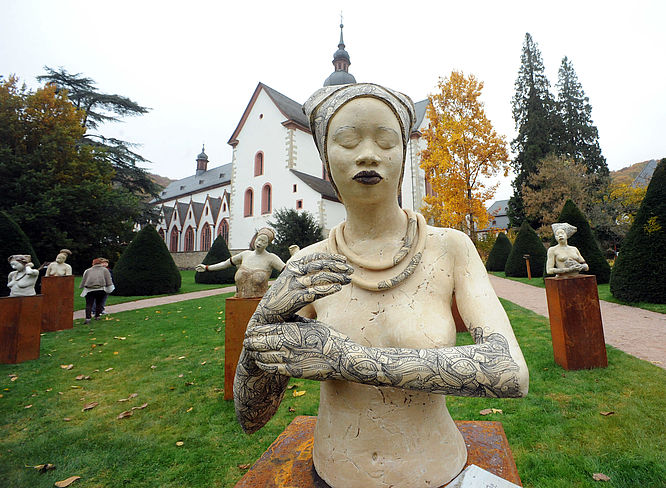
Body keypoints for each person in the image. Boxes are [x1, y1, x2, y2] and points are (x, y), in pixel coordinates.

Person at [235, 83, 529, 488]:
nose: (368, 154)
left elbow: (509, 371)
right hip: (334, 471)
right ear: (326, 156)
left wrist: (348, 361)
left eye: (386, 140)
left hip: (436, 468)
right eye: (347, 140)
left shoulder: (450, 248)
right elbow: (251, 417)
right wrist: (264, 323)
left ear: (403, 153)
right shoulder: (308, 265)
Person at [195, 228, 285, 298]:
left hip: (259, 304)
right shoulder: (244, 254)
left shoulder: (271, 258)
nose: (259, 243)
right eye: (259, 239)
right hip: (238, 301)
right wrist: (207, 268)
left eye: (263, 241)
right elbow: (225, 264)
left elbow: (289, 270)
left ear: (267, 244)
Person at [79, 258, 114, 324]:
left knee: (89, 304)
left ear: (93, 263)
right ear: (100, 263)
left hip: (89, 289)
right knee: (99, 303)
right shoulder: (105, 270)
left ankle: (88, 318)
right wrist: (109, 288)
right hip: (101, 289)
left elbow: (84, 279)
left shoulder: (88, 270)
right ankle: (97, 316)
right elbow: (108, 280)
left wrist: (81, 286)